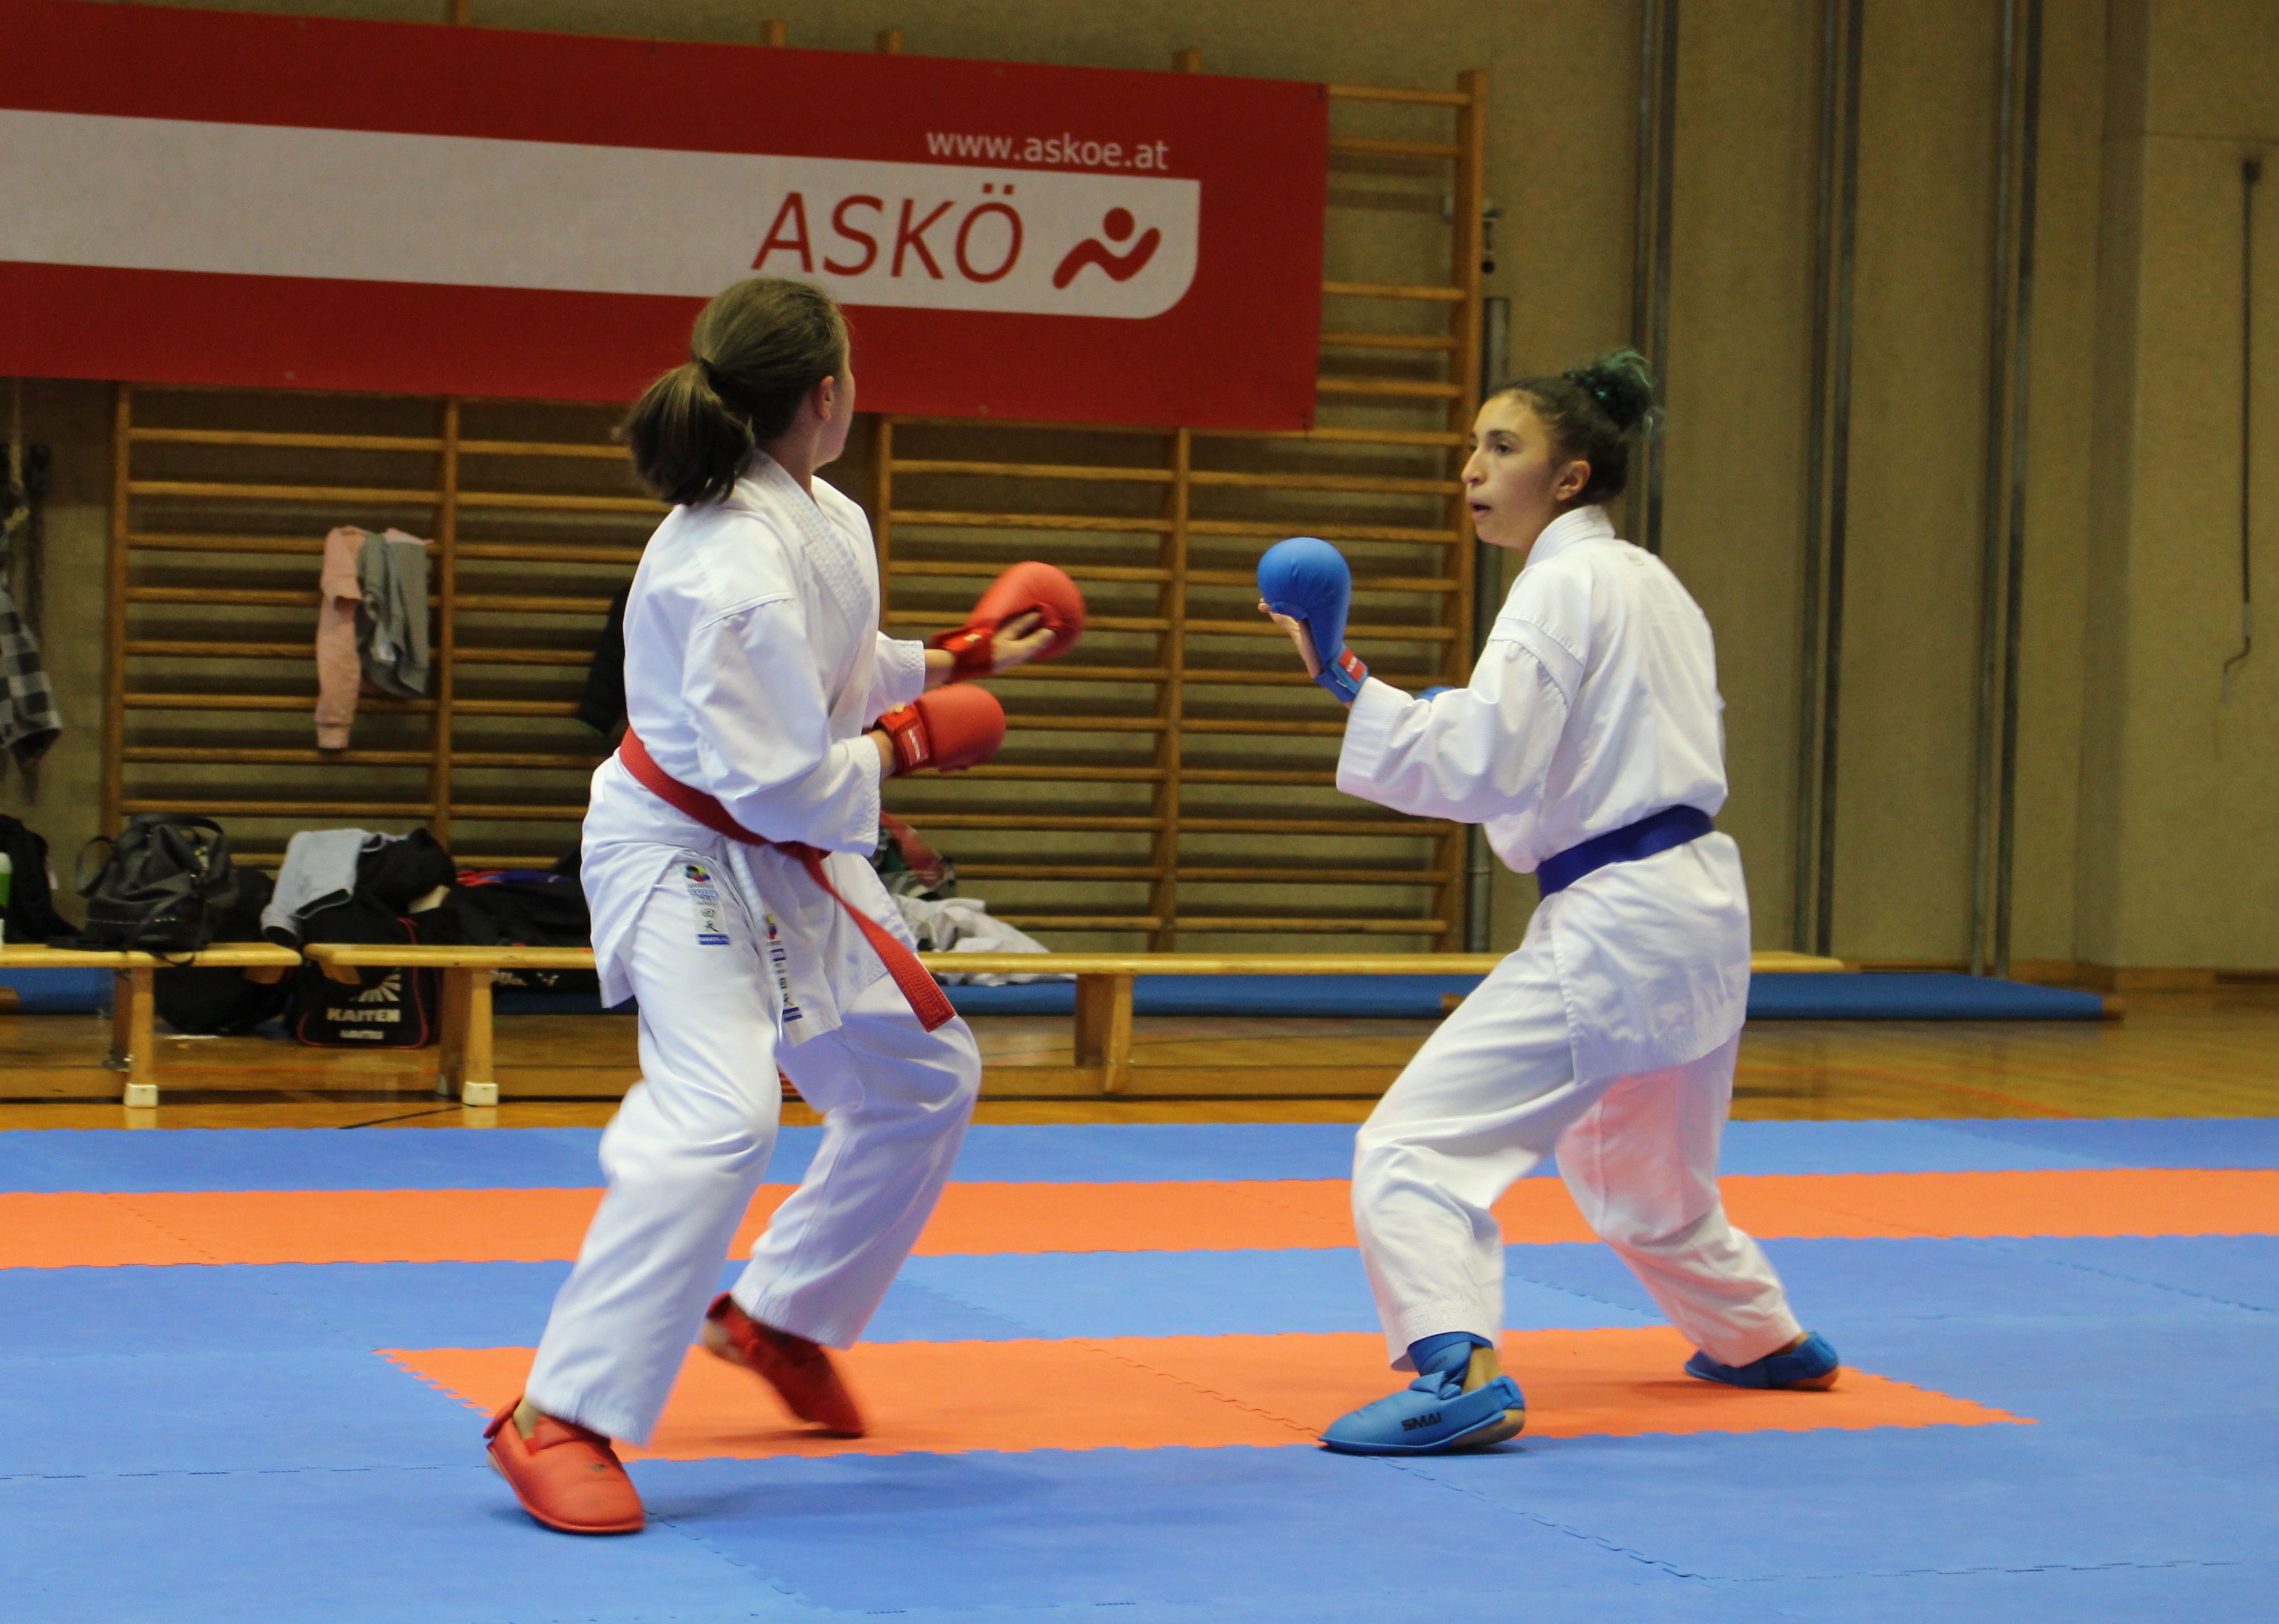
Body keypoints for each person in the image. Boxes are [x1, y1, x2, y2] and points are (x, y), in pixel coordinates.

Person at [486, 277, 1063, 1533]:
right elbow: (786, 776)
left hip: (780, 844)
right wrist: (912, 744)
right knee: (721, 1116)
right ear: (828, 393)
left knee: (924, 1078)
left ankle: (780, 1313)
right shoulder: (730, 567)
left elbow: (830, 675)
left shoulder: (824, 515)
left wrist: (956, 658)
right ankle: (555, 1413)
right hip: (684, 850)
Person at [1258, 351, 1837, 1457]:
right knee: (1644, 1176)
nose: (1472, 470)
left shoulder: (1558, 586)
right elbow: (1571, 752)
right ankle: (1760, 1336)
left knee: (1412, 1147)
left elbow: (1487, 762)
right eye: (1471, 447)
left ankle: (1458, 1372)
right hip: (1698, 908)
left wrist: (1348, 682)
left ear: (1569, 478)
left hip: (1618, 919)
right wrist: (1411, 704)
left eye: (1502, 447)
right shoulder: (1652, 584)